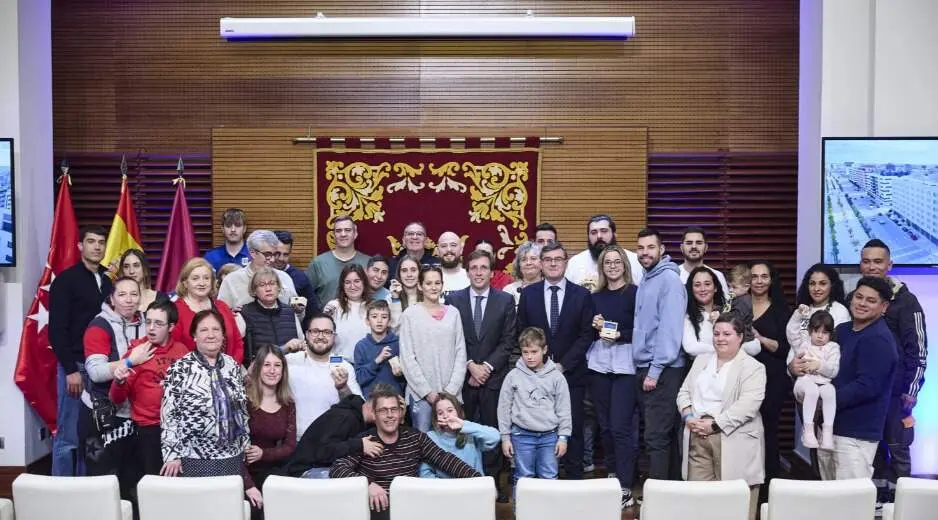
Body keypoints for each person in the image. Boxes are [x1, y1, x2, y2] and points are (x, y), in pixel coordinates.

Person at [791, 276, 898, 480]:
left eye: (871, 300)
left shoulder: (880, 339)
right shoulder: (842, 331)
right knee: (830, 493)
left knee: (850, 496)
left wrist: (823, 402)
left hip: (856, 433)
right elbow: (819, 359)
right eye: (859, 297)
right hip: (829, 427)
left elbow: (867, 387)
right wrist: (795, 366)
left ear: (883, 306)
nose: (862, 303)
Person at [330, 386, 482, 520]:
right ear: (374, 415)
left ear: (400, 413)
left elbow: (445, 460)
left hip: (410, 507)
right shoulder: (365, 440)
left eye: (394, 409)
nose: (389, 415)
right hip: (378, 509)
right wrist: (367, 485)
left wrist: (479, 481)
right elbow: (337, 469)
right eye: (383, 410)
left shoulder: (415, 437)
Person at [851, 240, 927, 505]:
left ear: (889, 265)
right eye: (866, 261)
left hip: (896, 396)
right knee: (869, 454)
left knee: (898, 452)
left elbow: (918, 352)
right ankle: (873, 505)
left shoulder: (907, 302)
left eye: (878, 261)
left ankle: (902, 507)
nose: (871, 267)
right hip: (864, 396)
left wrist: (911, 393)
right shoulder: (855, 299)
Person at [160, 310, 257, 505]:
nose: (211, 335)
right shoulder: (181, 368)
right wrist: (171, 455)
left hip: (232, 457)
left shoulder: (232, 365)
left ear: (223, 335)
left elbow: (241, 409)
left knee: (228, 510)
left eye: (216, 329)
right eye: (204, 330)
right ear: (194, 336)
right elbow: (169, 414)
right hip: (193, 458)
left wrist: (245, 445)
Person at [677, 314, 767, 520]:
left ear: (740, 337)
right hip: (698, 436)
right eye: (716, 333)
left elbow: (748, 406)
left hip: (733, 438)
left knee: (734, 507)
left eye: (727, 334)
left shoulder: (753, 367)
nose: (720, 338)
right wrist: (688, 416)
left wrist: (715, 425)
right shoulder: (701, 360)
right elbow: (684, 392)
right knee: (699, 504)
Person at [517, 242, 593, 480]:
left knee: (573, 429)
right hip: (535, 376)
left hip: (571, 374)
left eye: (557, 259)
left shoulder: (582, 295)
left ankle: (574, 482)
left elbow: (586, 335)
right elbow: (522, 332)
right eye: (548, 259)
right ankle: (542, 483)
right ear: (540, 263)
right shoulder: (528, 294)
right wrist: (540, 364)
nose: (552, 263)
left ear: (566, 263)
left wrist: (562, 365)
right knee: (538, 429)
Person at [447, 250, 517, 497]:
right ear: (467, 272)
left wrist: (486, 367)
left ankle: (493, 482)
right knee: (462, 430)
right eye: (474, 268)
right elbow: (451, 338)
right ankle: (465, 480)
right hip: (463, 377)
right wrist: (470, 365)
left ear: (492, 272)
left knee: (492, 431)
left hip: (493, 379)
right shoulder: (454, 300)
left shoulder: (505, 301)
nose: (478, 272)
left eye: (483, 267)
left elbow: (508, 341)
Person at [49, 224, 113, 476]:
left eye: (101, 242)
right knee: (68, 436)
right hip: (75, 367)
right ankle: (60, 491)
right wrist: (69, 370)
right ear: (80, 246)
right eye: (91, 241)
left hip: (101, 368)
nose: (97, 247)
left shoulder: (109, 281)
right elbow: (57, 330)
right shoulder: (66, 280)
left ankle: (87, 489)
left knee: (92, 435)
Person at [80, 276, 146, 501]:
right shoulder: (99, 326)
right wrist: (130, 361)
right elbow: (96, 372)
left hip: (136, 414)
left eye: (134, 294)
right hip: (103, 415)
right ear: (112, 299)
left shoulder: (148, 323)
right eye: (122, 294)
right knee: (102, 482)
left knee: (133, 480)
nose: (129, 300)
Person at [110, 298, 189, 476]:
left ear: (171, 327)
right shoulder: (138, 352)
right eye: (148, 322)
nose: (151, 328)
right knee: (154, 483)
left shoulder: (182, 351)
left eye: (158, 323)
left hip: (180, 428)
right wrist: (119, 381)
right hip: (149, 429)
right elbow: (116, 398)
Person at [632, 228, 687, 480]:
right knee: (662, 436)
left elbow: (669, 329)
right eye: (641, 248)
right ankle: (670, 492)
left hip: (663, 370)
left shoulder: (669, 281)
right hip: (650, 367)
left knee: (656, 437)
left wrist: (654, 371)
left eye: (650, 247)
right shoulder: (648, 278)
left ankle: (657, 495)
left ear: (662, 250)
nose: (645, 253)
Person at [586, 245, 639, 507]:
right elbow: (589, 332)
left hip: (625, 364)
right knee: (605, 426)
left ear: (624, 265)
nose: (613, 266)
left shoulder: (634, 293)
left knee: (620, 427)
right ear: (602, 266)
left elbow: (641, 329)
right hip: (599, 364)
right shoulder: (594, 297)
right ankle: (612, 473)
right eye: (608, 262)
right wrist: (594, 325)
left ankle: (626, 484)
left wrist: (617, 333)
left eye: (617, 261)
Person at [498, 327, 572, 485]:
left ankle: (548, 504)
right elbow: (503, 408)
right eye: (525, 352)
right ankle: (521, 504)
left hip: (549, 436)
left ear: (544, 350)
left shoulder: (557, 377)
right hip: (521, 435)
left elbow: (564, 409)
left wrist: (563, 437)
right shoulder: (513, 376)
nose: (529, 357)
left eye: (534, 351)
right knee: (523, 479)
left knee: (549, 477)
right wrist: (505, 437)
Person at [399, 265, 467, 432]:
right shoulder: (410, 315)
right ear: (420, 286)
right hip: (421, 396)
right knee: (423, 441)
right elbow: (407, 357)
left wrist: (450, 391)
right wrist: (427, 392)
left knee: (451, 440)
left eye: (437, 283)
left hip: (451, 394)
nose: (433, 287)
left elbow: (460, 353)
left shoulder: (453, 313)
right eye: (428, 283)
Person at [748, 260, 791, 498]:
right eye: (754, 276)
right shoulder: (740, 305)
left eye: (764, 276)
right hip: (744, 378)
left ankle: (769, 489)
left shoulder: (782, 311)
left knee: (767, 430)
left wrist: (761, 339)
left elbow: (786, 348)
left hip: (773, 378)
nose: (759, 281)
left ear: (771, 280)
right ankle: (748, 485)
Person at [287, 314, 362, 438]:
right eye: (315, 331)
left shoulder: (344, 366)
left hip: (331, 441)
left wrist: (343, 388)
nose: (321, 336)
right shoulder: (290, 361)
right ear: (306, 334)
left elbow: (357, 408)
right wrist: (283, 349)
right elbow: (257, 370)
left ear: (334, 337)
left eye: (327, 332)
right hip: (294, 440)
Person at [244, 345, 297, 517]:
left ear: (283, 370)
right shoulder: (244, 400)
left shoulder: (288, 403)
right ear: (258, 368)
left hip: (272, 471)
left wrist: (263, 454)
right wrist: (248, 485)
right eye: (267, 365)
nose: (272, 370)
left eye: (277, 365)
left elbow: (290, 446)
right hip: (244, 472)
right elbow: (232, 449)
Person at [281, 390, 379, 479]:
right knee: (351, 483)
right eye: (383, 409)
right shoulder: (345, 417)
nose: (386, 415)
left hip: (325, 467)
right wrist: (359, 444)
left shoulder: (366, 424)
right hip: (306, 469)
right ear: (372, 407)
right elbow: (322, 452)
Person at [172, 258, 244, 364]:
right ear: (185, 283)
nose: (202, 283)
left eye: (206, 278)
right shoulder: (175, 310)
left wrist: (232, 366)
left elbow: (238, 343)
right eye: (195, 278)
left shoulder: (222, 307)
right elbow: (173, 349)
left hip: (229, 369)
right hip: (190, 371)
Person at [788, 309, 840, 449]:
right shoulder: (804, 344)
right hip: (804, 382)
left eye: (825, 333)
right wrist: (798, 314)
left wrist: (819, 365)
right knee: (812, 390)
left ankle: (827, 432)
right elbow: (791, 332)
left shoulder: (833, 347)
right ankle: (808, 430)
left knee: (830, 391)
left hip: (823, 383)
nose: (820, 336)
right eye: (817, 331)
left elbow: (833, 371)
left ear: (830, 334)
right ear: (810, 331)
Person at [683, 266, 761, 357]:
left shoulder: (737, 304)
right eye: (697, 285)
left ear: (715, 287)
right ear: (691, 289)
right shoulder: (688, 316)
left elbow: (755, 347)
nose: (703, 289)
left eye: (707, 284)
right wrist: (727, 349)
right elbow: (691, 348)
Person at [419, 393, 500, 478]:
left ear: (458, 412)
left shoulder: (470, 432)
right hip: (445, 486)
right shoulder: (430, 437)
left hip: (473, 484)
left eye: (450, 411)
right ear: (436, 418)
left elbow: (495, 437)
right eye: (440, 413)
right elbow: (425, 473)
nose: (445, 416)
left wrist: (463, 425)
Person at [218, 229, 298, 309]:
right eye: (267, 254)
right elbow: (221, 313)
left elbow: (296, 313)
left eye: (275, 254)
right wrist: (230, 314)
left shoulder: (284, 278)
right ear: (252, 253)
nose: (273, 259)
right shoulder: (231, 281)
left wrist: (299, 311)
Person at [240, 267, 305, 364]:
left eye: (272, 283)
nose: (268, 289)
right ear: (254, 290)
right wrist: (284, 348)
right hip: (259, 368)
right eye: (262, 285)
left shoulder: (289, 311)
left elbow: (301, 341)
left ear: (278, 287)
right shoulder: (245, 313)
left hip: (290, 367)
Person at [566, 214, 643, 289]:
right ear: (588, 236)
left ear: (614, 234)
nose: (599, 236)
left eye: (604, 231)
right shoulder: (575, 263)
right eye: (594, 232)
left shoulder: (634, 261)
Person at [306, 216, 372, 304]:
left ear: (355, 234)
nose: (343, 234)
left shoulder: (368, 263)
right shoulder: (318, 263)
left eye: (348, 230)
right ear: (334, 235)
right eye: (338, 231)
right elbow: (306, 295)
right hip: (326, 312)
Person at [354, 300, 405, 398]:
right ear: (367, 321)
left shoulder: (399, 343)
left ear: (389, 321)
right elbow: (360, 378)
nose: (379, 321)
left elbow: (408, 377)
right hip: (371, 400)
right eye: (374, 316)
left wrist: (401, 373)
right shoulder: (361, 346)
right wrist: (377, 361)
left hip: (395, 399)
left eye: (384, 317)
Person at [322, 264, 373, 361]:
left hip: (368, 364)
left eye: (357, 281)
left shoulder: (373, 306)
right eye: (347, 282)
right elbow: (324, 339)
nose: (352, 286)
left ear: (364, 283)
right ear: (342, 285)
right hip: (339, 362)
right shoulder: (334, 306)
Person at [274, 230, 322, 320]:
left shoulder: (300, 278)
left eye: (285, 255)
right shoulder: (260, 273)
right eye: (277, 253)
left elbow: (313, 312)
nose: (281, 258)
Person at [677, 227, 729, 297]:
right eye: (689, 243)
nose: (694, 246)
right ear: (681, 248)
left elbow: (726, 303)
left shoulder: (717, 276)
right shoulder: (673, 276)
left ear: (706, 247)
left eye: (699, 243)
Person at [388, 221, 440, 286]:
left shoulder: (437, 264)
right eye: (410, 234)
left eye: (419, 234)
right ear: (403, 240)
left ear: (426, 240)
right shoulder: (391, 265)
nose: (415, 237)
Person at [501, 241, 543, 306]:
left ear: (542, 263)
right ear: (519, 265)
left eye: (533, 259)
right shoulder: (509, 290)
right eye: (524, 259)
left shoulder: (550, 289)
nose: (528, 263)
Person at [389, 256, 420, 329]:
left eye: (413, 270)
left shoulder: (428, 296)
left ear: (420, 273)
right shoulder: (390, 298)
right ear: (399, 274)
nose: (409, 274)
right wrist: (395, 298)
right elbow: (395, 329)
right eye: (404, 270)